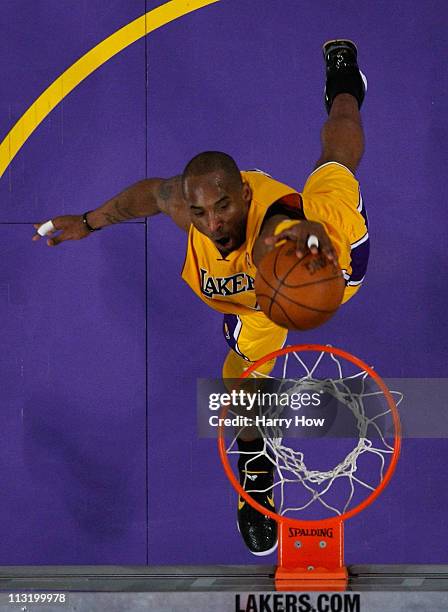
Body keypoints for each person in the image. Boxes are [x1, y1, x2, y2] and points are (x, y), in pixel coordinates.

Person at [32, 40, 369, 556]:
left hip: (329, 259)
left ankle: (345, 86)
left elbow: (285, 228)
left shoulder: (272, 224)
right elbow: (147, 195)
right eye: (201, 212)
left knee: (335, 160)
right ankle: (256, 467)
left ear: (246, 196)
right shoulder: (187, 209)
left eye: (225, 207)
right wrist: (88, 221)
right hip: (259, 306)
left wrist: (305, 241)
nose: (214, 223)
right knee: (242, 374)